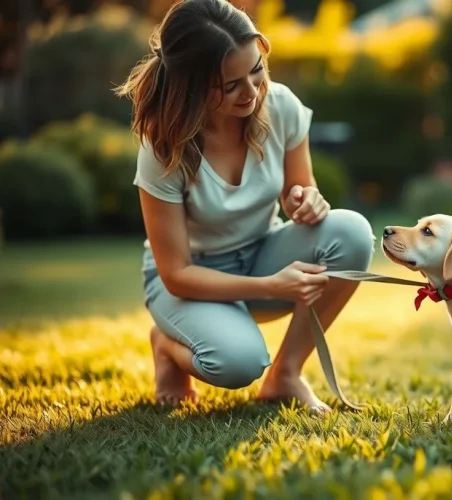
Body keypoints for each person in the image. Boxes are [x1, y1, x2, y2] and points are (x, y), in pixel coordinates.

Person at [114, 0, 375, 413]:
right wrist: (272, 287)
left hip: (259, 254)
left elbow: (301, 188)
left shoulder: (281, 105)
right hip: (189, 283)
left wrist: (305, 201)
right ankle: (166, 345)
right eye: (231, 84)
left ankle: (286, 375)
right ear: (192, 85)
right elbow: (177, 273)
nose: (252, 93)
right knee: (237, 364)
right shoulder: (163, 148)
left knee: (352, 232)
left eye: (256, 71)